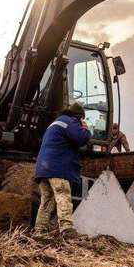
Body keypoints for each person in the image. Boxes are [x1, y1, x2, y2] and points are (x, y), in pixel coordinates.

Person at [33, 102, 91, 237]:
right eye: (81, 118)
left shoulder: (55, 123)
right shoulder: (70, 122)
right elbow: (81, 138)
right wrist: (85, 129)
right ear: (78, 116)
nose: (81, 121)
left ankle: (39, 231)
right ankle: (66, 229)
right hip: (57, 168)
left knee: (46, 200)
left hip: (43, 168)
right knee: (63, 195)